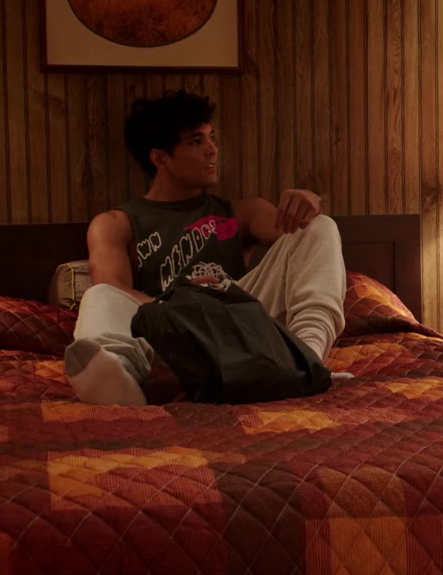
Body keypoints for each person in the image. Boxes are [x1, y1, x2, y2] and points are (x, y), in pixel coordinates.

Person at [64, 90, 346, 406]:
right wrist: (187, 303)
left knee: (320, 227)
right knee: (100, 295)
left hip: (239, 323)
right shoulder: (116, 223)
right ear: (160, 158)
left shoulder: (243, 212)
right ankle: (118, 380)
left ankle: (309, 358)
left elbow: (306, 241)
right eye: (196, 142)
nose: (213, 149)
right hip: (173, 331)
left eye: (212, 138)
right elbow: (113, 289)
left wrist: (309, 203)